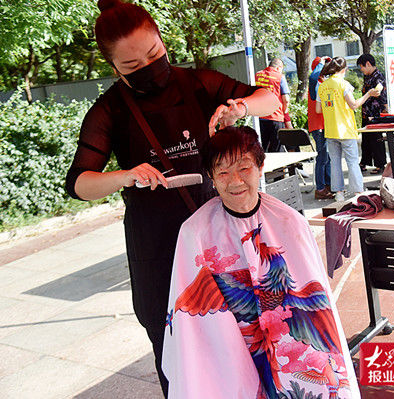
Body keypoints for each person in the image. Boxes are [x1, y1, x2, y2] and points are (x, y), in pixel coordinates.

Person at [64, 1, 278, 396]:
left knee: (246, 335)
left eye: (154, 55)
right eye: (132, 66)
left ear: (163, 41)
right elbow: (79, 183)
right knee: (178, 350)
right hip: (158, 247)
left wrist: (241, 107)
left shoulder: (196, 83)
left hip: (219, 234)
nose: (148, 68)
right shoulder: (109, 109)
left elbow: (270, 101)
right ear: (114, 68)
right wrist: (124, 176)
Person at [162, 126, 360, 398]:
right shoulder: (194, 233)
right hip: (229, 347)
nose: (234, 181)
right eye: (222, 172)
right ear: (211, 176)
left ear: (260, 166)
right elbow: (188, 319)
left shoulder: (291, 222)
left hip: (288, 343)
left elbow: (319, 300)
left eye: (243, 168)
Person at [316, 57, 380, 202]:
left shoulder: (323, 86)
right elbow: (354, 105)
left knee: (335, 162)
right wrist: (368, 94)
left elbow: (318, 109)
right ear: (344, 69)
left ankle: (339, 193)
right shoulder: (344, 84)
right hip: (345, 129)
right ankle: (358, 191)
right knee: (352, 161)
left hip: (330, 130)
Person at [357, 53, 388, 175]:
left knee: (376, 139)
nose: (361, 69)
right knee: (366, 139)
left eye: (362, 66)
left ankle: (381, 164)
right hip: (366, 112)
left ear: (368, 64)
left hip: (375, 113)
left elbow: (381, 92)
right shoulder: (368, 77)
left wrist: (385, 110)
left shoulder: (378, 76)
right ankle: (364, 162)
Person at [308, 56, 333, 199]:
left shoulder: (322, 82)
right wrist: (321, 63)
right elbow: (312, 77)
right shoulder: (315, 82)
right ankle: (320, 188)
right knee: (322, 158)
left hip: (323, 125)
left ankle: (327, 184)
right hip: (318, 126)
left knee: (327, 157)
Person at [255, 58, 291, 152]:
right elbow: (286, 99)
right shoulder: (280, 77)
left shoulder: (258, 75)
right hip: (275, 117)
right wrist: (285, 112)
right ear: (279, 68)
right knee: (277, 150)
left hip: (261, 117)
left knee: (262, 149)